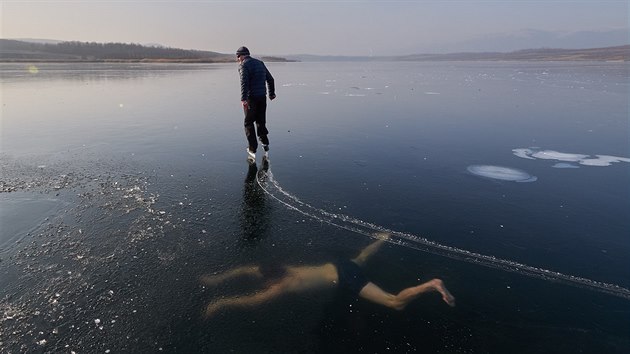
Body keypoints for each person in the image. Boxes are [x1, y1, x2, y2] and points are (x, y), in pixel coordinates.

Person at [201, 233, 455, 318]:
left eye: (265, 280)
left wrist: (222, 302)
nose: (264, 281)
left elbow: (253, 301)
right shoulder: (284, 270)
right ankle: (380, 239)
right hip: (339, 266)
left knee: (394, 303)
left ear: (272, 278)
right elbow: (248, 269)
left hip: (346, 280)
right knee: (362, 258)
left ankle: (431, 286)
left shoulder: (283, 284)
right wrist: (219, 278)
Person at [236, 46, 276, 163]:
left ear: (242, 56)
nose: (238, 59)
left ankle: (252, 149)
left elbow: (244, 83)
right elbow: (271, 79)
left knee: (248, 122)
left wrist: (243, 99)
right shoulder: (260, 63)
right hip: (262, 97)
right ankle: (265, 143)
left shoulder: (244, 65)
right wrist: (272, 94)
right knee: (260, 120)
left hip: (251, 99)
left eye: (238, 57)